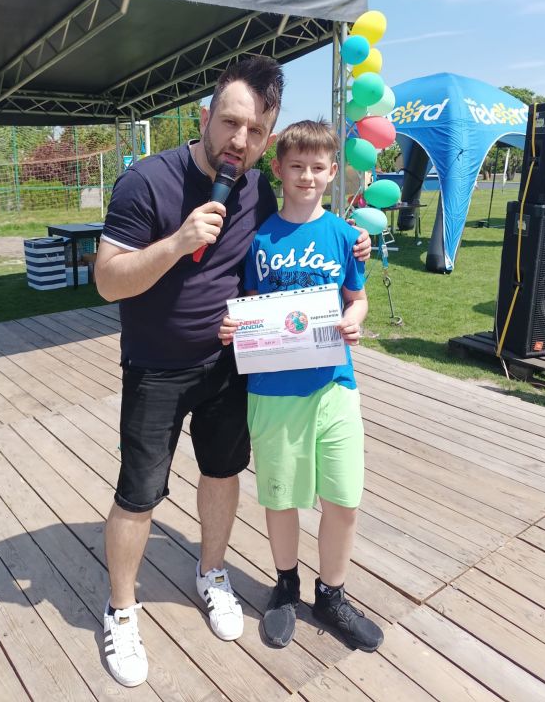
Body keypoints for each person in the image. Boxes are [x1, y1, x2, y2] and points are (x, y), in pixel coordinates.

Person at [94, 58, 372, 687]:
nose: (239, 141)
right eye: (230, 123)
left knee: (221, 474)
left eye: (255, 132)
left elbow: (295, 237)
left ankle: (211, 572)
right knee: (138, 494)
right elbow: (108, 281)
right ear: (205, 115)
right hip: (156, 367)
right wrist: (176, 241)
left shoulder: (258, 190)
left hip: (232, 362)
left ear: (268, 140)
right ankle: (121, 609)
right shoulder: (146, 181)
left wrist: (352, 242)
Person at [219, 119, 383, 652]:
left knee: (343, 498)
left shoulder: (345, 237)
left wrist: (354, 319)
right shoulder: (258, 238)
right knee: (281, 496)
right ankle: (286, 585)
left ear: (333, 172)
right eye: (296, 166)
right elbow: (247, 305)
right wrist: (235, 326)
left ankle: (331, 594)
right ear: (279, 169)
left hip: (335, 384)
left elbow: (356, 299)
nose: (307, 176)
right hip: (273, 391)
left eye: (317, 167)